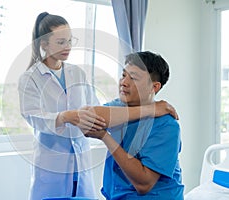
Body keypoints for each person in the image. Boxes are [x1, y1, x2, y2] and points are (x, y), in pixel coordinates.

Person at [18, 12, 179, 200]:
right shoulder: (30, 78)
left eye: (70, 41)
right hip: (53, 158)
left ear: (154, 86)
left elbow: (95, 115)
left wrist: (100, 129)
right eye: (61, 42)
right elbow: (35, 116)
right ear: (44, 44)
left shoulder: (76, 73)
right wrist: (64, 117)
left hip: (83, 157)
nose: (68, 47)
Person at [82, 51, 184, 200]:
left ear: (154, 87)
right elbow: (85, 116)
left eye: (134, 78)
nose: (124, 82)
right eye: (123, 75)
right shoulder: (120, 106)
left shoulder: (166, 126)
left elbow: (144, 184)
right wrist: (148, 109)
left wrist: (105, 137)